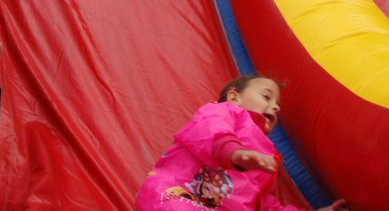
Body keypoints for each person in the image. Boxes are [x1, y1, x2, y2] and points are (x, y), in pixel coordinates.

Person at [136, 75, 348, 211]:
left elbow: (265, 205)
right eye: (267, 97)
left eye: (277, 105)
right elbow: (209, 129)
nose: (275, 107)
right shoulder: (222, 111)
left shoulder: (266, 156)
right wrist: (233, 152)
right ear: (234, 98)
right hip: (174, 195)